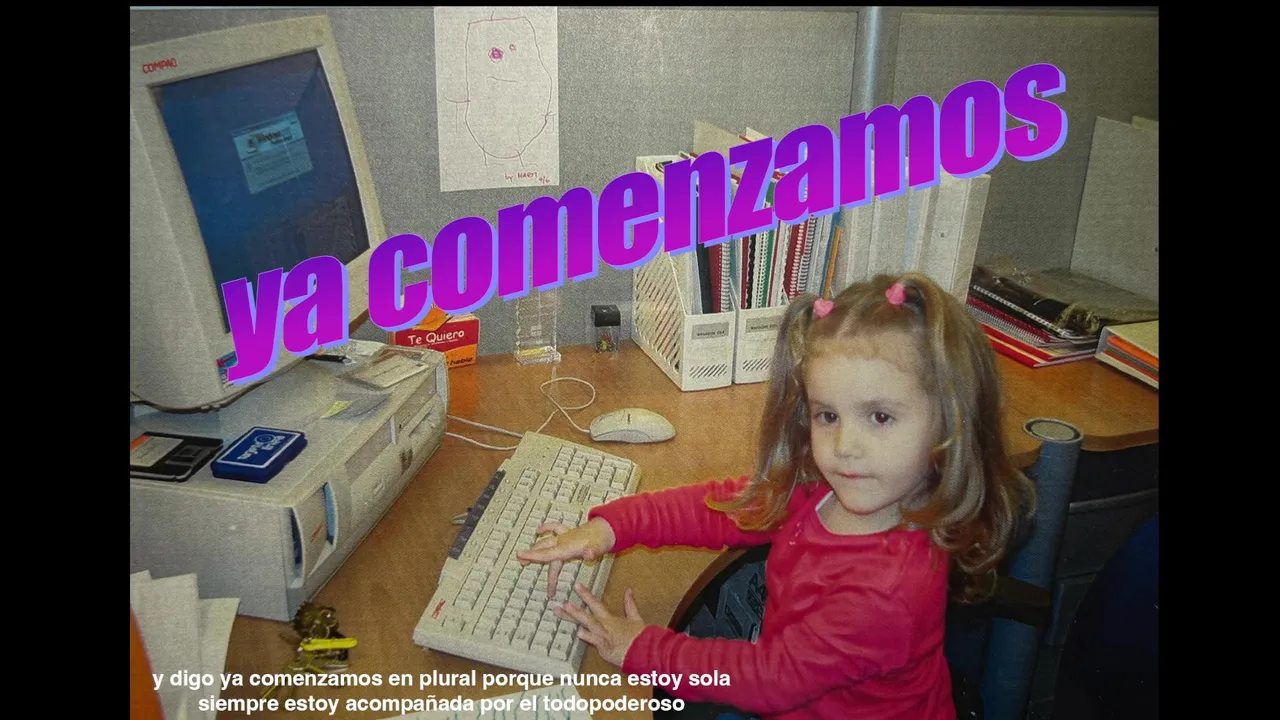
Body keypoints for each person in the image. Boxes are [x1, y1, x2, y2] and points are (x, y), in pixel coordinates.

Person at [517, 273, 1036, 719]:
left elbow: (770, 678)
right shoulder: (828, 491)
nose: (844, 446)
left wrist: (643, 649)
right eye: (827, 415)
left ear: (949, 424)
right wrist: (611, 526)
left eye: (880, 416)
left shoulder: (888, 589)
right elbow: (723, 507)